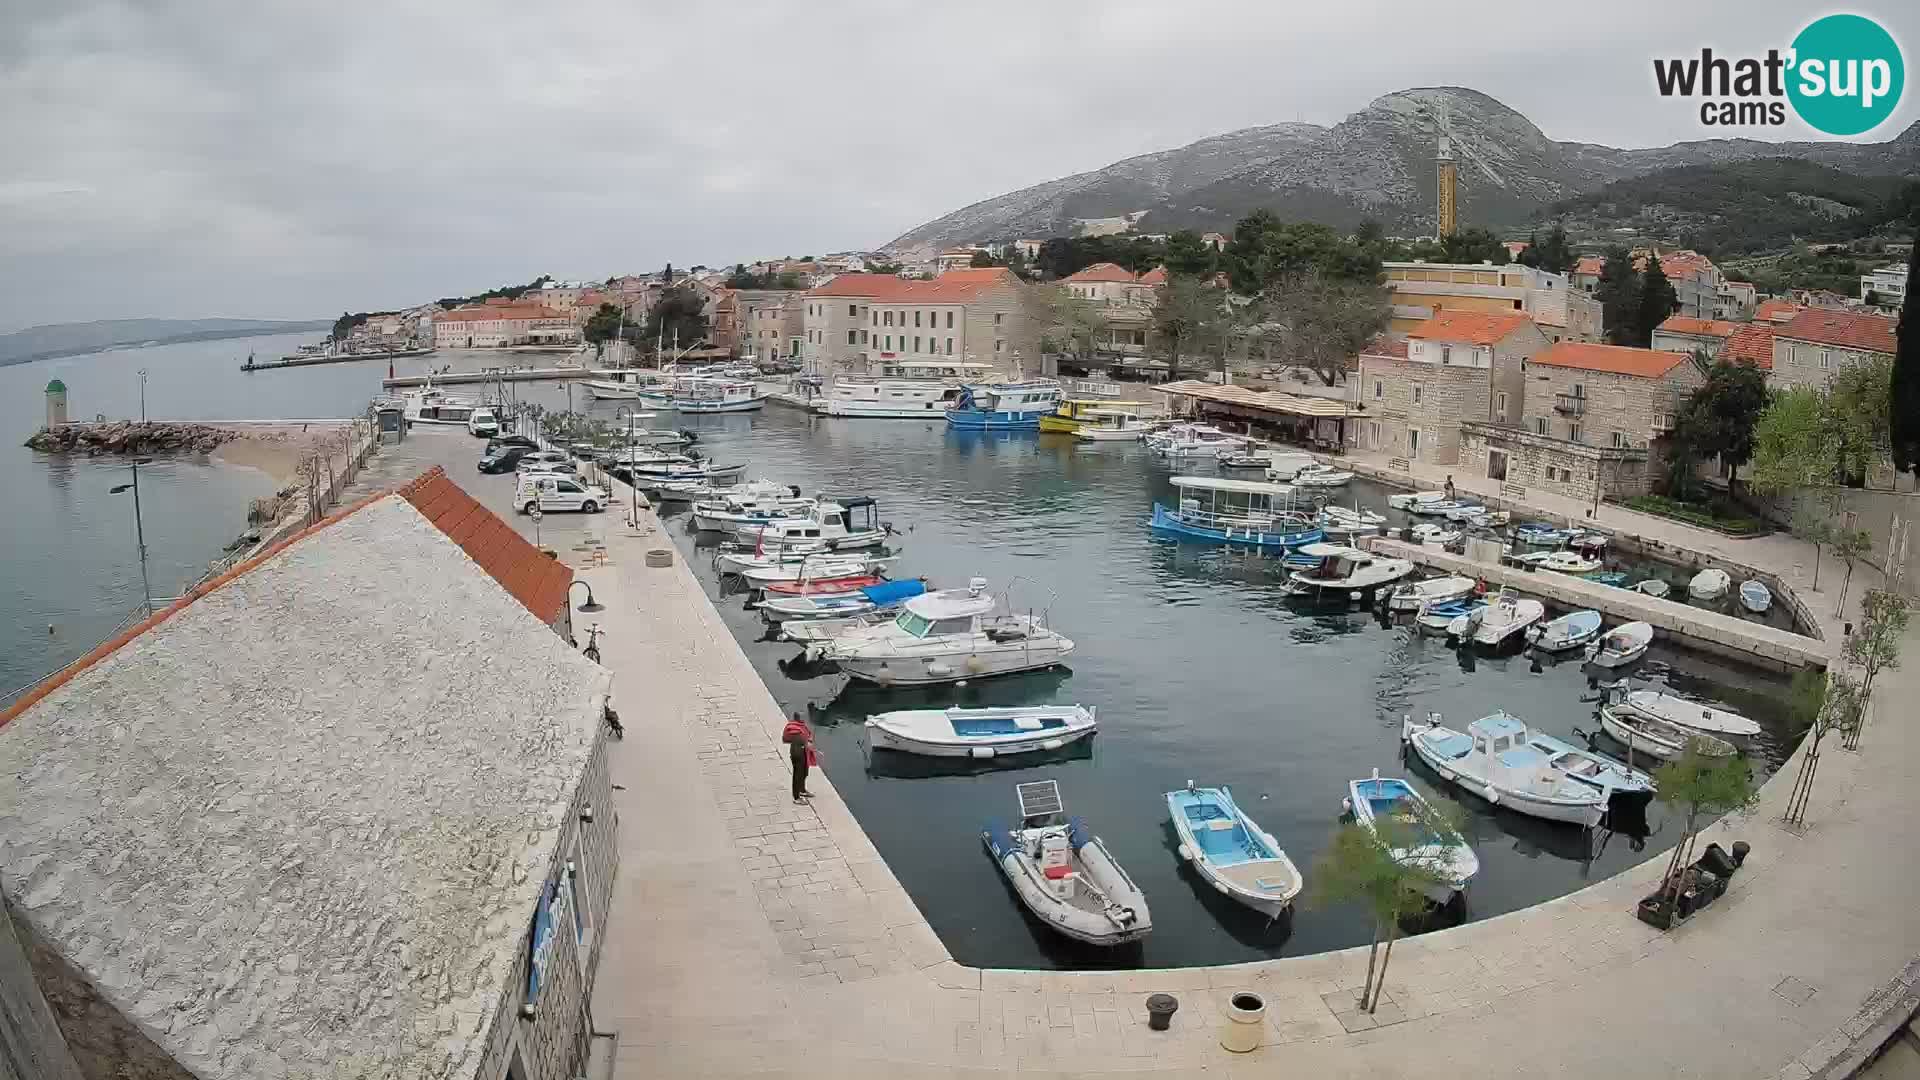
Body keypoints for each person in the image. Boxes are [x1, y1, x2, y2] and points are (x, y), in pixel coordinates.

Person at [781, 712, 816, 803]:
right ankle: (796, 797)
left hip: (804, 752)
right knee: (797, 775)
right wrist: (805, 742)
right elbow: (786, 739)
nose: (804, 719)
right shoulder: (793, 727)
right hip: (797, 753)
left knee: (804, 772)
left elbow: (807, 736)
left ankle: (802, 790)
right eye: (802, 717)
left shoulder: (802, 726)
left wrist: (808, 742)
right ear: (797, 718)